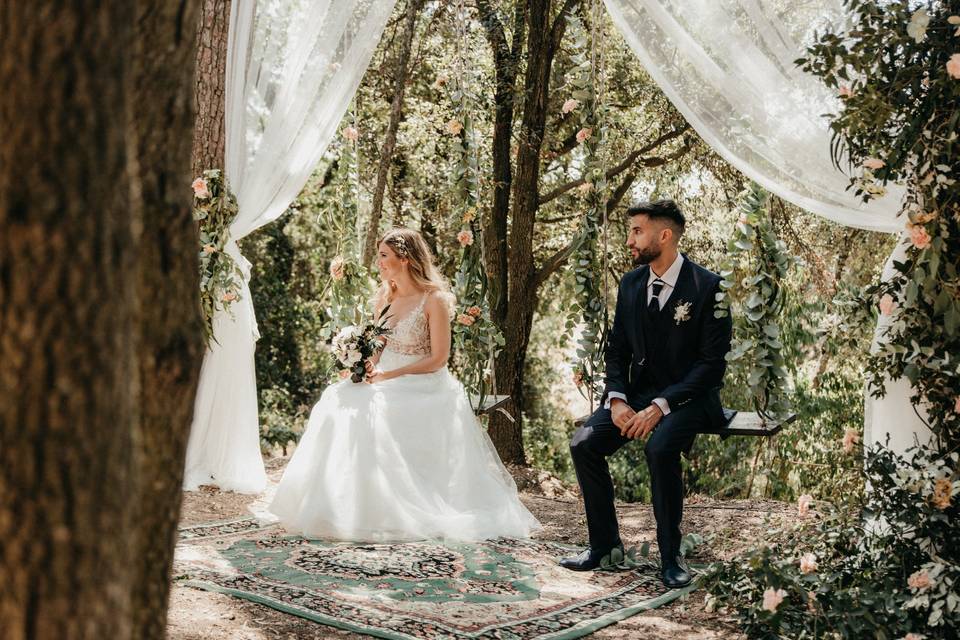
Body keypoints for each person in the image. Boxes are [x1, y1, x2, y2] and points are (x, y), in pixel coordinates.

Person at [269, 227, 540, 542]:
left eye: (384, 256)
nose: (379, 263)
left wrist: (389, 376)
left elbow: (439, 358)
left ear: (406, 258)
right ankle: (338, 507)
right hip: (384, 377)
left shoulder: (433, 300)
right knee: (334, 400)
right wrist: (367, 363)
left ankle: (391, 511)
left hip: (424, 383)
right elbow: (380, 344)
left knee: (375, 415)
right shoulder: (386, 296)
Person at [560, 200, 733, 587]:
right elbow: (617, 349)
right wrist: (617, 398)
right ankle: (604, 546)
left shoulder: (709, 287)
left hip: (690, 397)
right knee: (584, 443)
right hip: (636, 395)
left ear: (665, 235)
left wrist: (661, 405)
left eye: (637, 231)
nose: (629, 240)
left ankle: (671, 558)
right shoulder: (631, 283)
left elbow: (711, 366)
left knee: (661, 449)